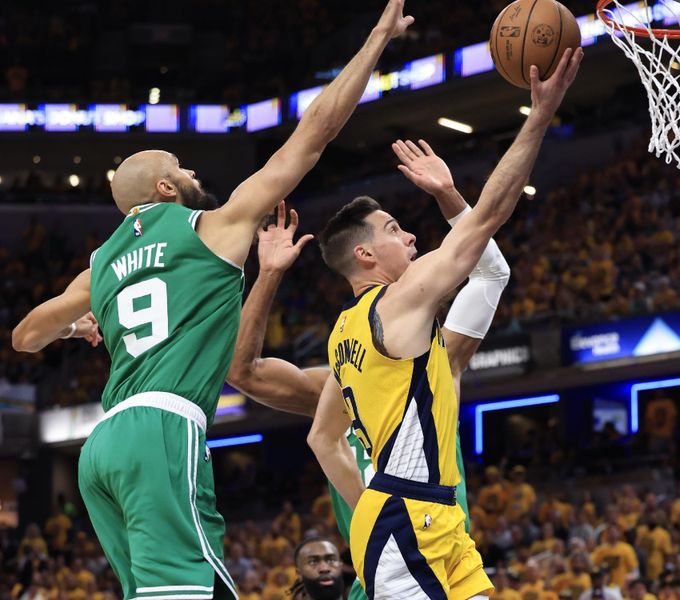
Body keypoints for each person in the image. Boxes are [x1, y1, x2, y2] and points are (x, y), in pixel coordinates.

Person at [10, 2, 414, 598]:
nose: (192, 169)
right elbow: (314, 133)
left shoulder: (99, 265)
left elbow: (24, 336)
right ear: (167, 189)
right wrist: (377, 39)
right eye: (181, 166)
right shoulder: (210, 228)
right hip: (162, 428)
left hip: (100, 449)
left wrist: (76, 329)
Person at [308, 49, 582, 600]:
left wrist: (367, 502)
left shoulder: (345, 335)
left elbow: (322, 436)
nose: (410, 237)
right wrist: (539, 116)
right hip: (408, 519)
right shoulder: (397, 301)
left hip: (428, 517)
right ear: (365, 254)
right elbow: (489, 218)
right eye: (394, 228)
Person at [226, 136, 514, 600]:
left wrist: (448, 194)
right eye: (396, 230)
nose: (412, 240)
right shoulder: (343, 369)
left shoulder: (445, 354)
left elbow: (491, 272)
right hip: (386, 544)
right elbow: (245, 372)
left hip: (441, 537)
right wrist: (270, 275)